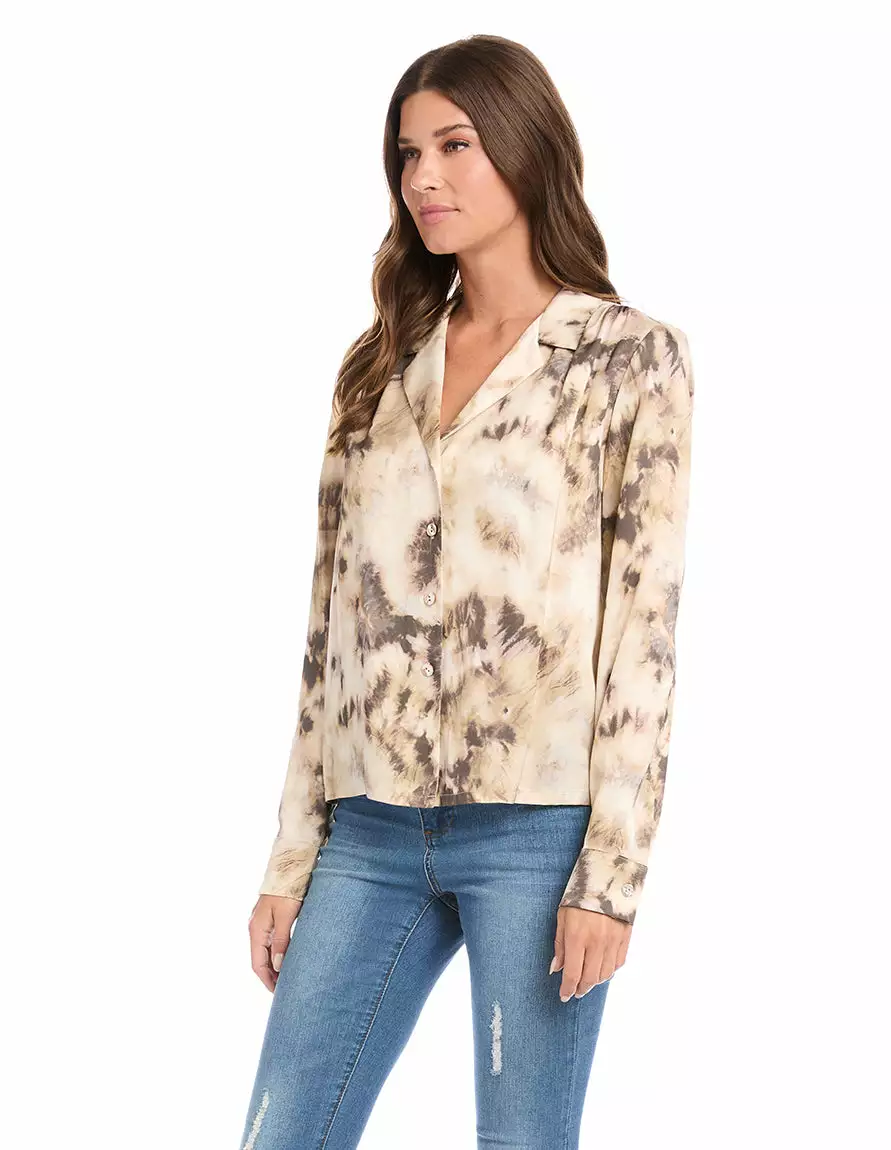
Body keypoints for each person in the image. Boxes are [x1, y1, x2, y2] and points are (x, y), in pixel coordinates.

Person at [239, 33, 695, 1150]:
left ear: (527, 149)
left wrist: (610, 879)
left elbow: (642, 635)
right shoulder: (378, 367)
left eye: (455, 145)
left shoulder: (626, 359)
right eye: (408, 153)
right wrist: (293, 857)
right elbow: (327, 635)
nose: (424, 177)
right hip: (367, 831)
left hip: (537, 836)